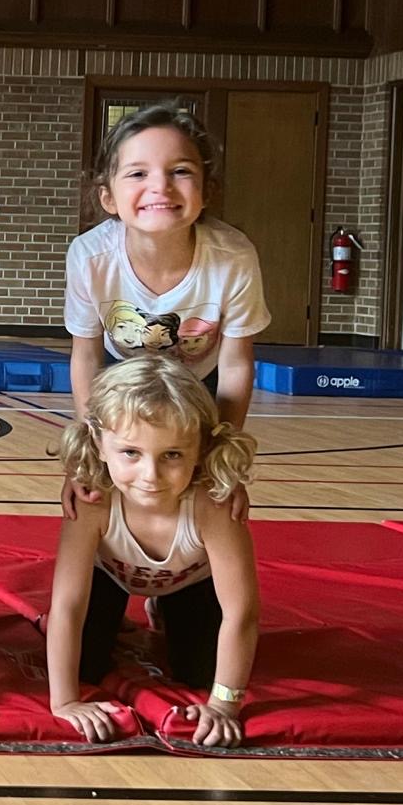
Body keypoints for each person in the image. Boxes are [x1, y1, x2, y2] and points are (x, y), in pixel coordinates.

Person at [64, 103, 269, 520]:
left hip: (201, 379)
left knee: (204, 490)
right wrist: (87, 452)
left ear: (206, 191)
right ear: (108, 196)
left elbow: (236, 364)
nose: (161, 186)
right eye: (138, 173)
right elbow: (85, 356)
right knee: (109, 484)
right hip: (120, 376)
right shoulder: (90, 257)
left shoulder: (233, 257)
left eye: (180, 171)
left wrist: (223, 457)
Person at [47, 355, 260, 749]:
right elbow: (66, 606)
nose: (151, 475)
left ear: (201, 447)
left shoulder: (213, 505)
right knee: (84, 666)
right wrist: (65, 701)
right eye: (131, 453)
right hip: (109, 577)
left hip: (188, 584)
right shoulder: (93, 499)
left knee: (200, 672)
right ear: (99, 443)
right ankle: (116, 616)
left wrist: (224, 704)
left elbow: (241, 613)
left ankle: (162, 607)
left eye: (172, 455)